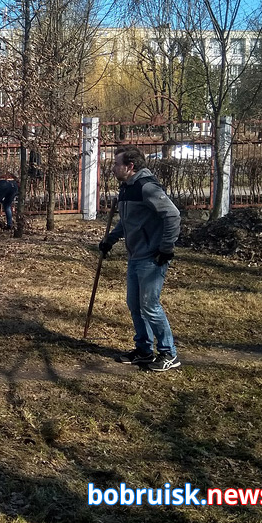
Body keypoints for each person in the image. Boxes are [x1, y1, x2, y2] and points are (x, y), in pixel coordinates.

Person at [99, 145, 182, 372]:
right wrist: (111, 239)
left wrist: (166, 248)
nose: (113, 168)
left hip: (152, 257)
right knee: (135, 304)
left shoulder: (147, 187)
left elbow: (173, 215)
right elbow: (127, 221)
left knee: (150, 305)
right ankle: (144, 350)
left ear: (130, 166)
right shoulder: (127, 188)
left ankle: (168, 353)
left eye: (117, 164)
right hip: (135, 255)